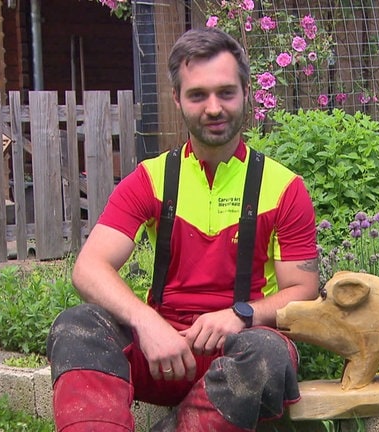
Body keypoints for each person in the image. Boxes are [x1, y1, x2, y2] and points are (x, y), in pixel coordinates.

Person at [46, 27, 320, 432]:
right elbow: (89, 267)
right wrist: (146, 321)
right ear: (177, 98)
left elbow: (303, 290)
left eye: (226, 92)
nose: (213, 108)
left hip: (237, 352)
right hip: (162, 351)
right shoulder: (149, 179)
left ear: (247, 92)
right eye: (198, 95)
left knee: (269, 353)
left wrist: (241, 314)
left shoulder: (285, 188)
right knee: (77, 325)